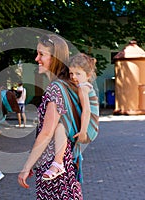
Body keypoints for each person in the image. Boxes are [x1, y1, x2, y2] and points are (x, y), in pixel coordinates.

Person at [17, 34, 83, 199]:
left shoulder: (56, 88)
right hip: (61, 163)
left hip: (53, 167)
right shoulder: (66, 85)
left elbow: (47, 133)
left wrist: (27, 166)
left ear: (55, 58)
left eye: (41, 54)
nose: (36, 58)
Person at [42, 53, 99, 181]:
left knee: (61, 126)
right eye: (71, 73)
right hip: (87, 125)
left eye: (78, 74)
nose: (73, 77)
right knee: (61, 125)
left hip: (89, 127)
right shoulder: (82, 86)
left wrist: (83, 131)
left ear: (88, 75)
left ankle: (58, 163)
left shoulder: (83, 88)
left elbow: (87, 111)